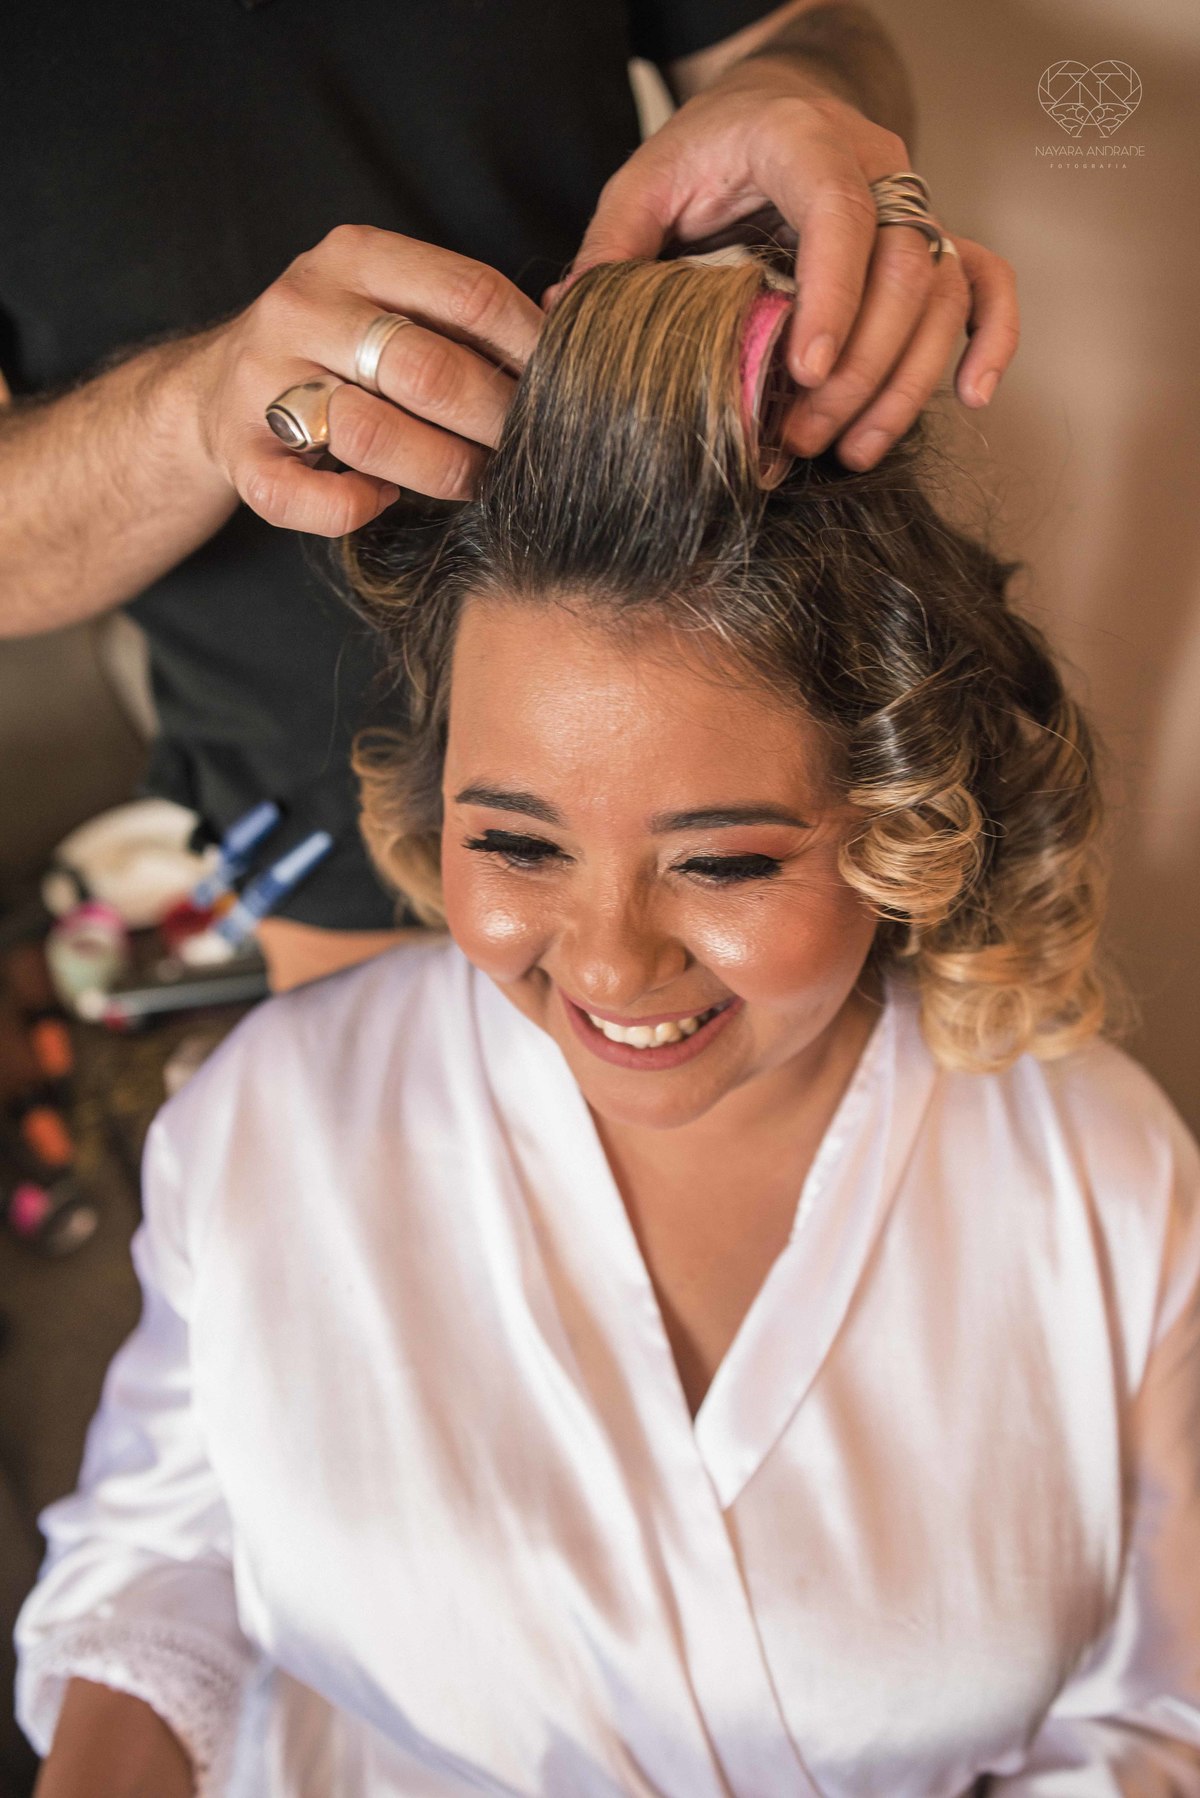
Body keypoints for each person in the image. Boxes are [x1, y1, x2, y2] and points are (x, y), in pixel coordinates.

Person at [13, 259, 1198, 1795]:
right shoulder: (271, 1121)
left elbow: (1168, 1715)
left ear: (893, 815)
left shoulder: (1100, 1175)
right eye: (515, 844)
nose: (612, 960)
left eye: (719, 860)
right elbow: (155, 1571)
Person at [0, 2, 1018, 991]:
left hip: (749, 701)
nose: (612, 969)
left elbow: (808, 27)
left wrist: (798, 91)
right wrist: (187, 409)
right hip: (310, 818)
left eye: (725, 862)